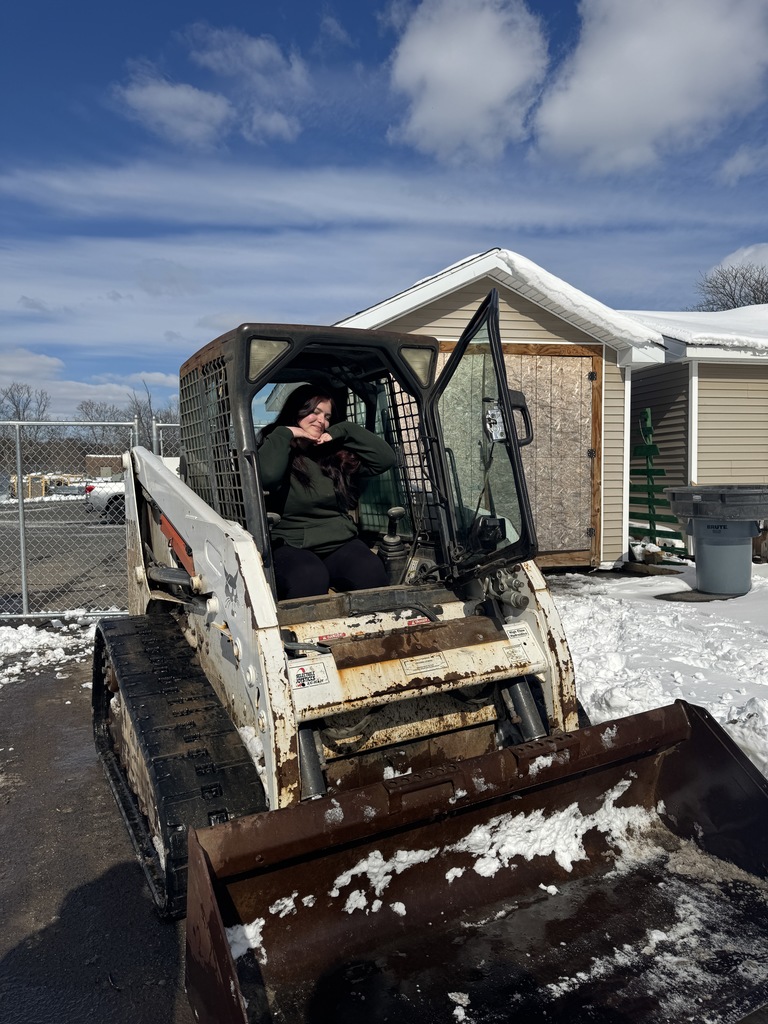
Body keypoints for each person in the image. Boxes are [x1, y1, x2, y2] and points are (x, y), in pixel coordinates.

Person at [257, 384, 397, 599]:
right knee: (309, 577)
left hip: (338, 539)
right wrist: (286, 432)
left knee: (371, 571)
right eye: (315, 412)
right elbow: (267, 477)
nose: (321, 421)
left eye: (327, 417)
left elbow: (385, 459)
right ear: (297, 411)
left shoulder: (334, 454)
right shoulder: (276, 448)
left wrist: (344, 430)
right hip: (291, 542)